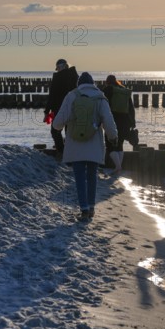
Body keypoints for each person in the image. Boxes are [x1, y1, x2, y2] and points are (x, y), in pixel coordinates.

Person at [53, 72, 118, 220]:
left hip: (76, 146)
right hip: (94, 145)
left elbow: (57, 124)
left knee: (80, 178)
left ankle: (84, 209)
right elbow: (108, 120)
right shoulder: (100, 97)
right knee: (92, 176)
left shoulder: (72, 96)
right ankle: (92, 208)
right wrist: (113, 136)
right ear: (93, 83)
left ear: (79, 84)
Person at [102, 74, 136, 174]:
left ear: (107, 82)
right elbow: (131, 108)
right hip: (124, 120)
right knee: (120, 144)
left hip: (112, 119)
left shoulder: (107, 90)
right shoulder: (124, 91)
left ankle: (118, 166)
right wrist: (132, 121)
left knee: (110, 144)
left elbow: (103, 107)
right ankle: (119, 167)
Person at [44, 59, 79, 154]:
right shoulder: (75, 76)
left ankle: (61, 150)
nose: (58, 70)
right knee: (70, 132)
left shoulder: (57, 77)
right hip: (73, 108)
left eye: (58, 68)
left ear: (63, 66)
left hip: (58, 109)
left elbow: (52, 96)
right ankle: (70, 151)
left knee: (55, 131)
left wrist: (47, 112)